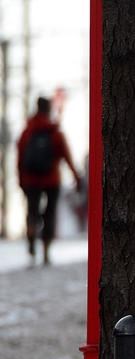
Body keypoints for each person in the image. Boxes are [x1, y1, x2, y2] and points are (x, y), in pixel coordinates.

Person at [17, 96, 81, 266]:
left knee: (32, 212)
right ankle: (45, 250)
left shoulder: (27, 131)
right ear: (48, 109)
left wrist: (20, 180)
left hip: (30, 179)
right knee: (50, 214)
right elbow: (66, 155)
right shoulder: (54, 132)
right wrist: (76, 176)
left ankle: (31, 241)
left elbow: (20, 158)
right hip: (52, 179)